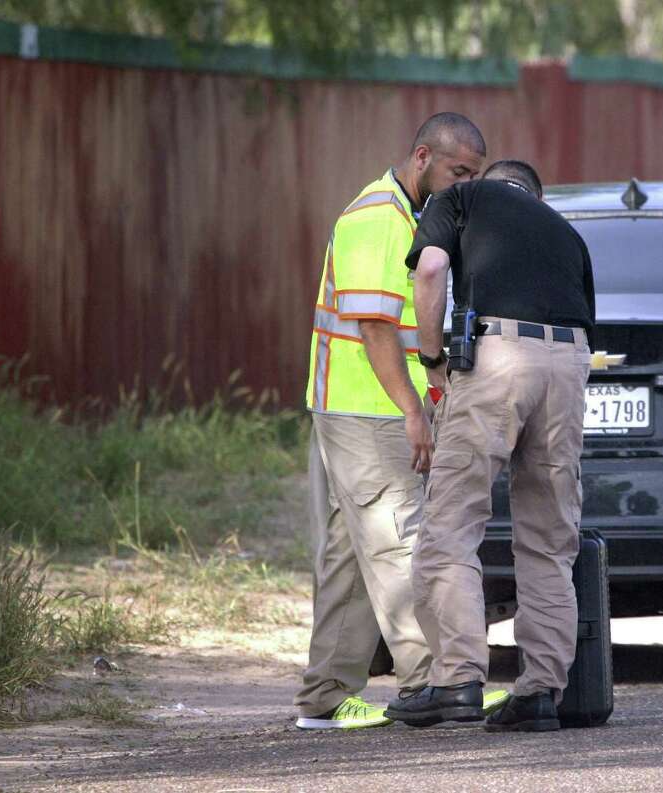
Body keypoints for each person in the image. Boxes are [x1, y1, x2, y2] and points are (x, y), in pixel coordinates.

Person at [295, 112, 507, 730]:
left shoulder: (416, 219)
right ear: (422, 157)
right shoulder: (376, 219)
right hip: (370, 410)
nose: (464, 183)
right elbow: (374, 328)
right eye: (457, 171)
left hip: (370, 405)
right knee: (399, 543)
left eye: (474, 174)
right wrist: (413, 410)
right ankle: (435, 683)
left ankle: (325, 699)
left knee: (351, 551)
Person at [384, 160, 596, 732]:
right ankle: (541, 693)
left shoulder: (460, 199)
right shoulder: (565, 231)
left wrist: (434, 363)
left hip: (498, 357)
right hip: (569, 363)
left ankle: (457, 680)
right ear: (536, 194)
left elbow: (429, 272)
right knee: (550, 538)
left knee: (452, 525)